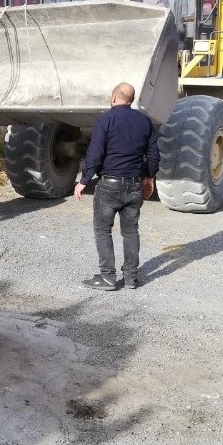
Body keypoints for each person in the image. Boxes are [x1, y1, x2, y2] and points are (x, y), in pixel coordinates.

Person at [74, 82, 159, 290]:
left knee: (103, 230)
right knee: (131, 232)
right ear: (131, 100)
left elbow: (95, 154)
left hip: (109, 186)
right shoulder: (144, 122)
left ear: (114, 98)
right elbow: (154, 154)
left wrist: (83, 181)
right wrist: (149, 177)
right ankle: (131, 278)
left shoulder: (105, 120)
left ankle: (108, 277)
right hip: (134, 185)